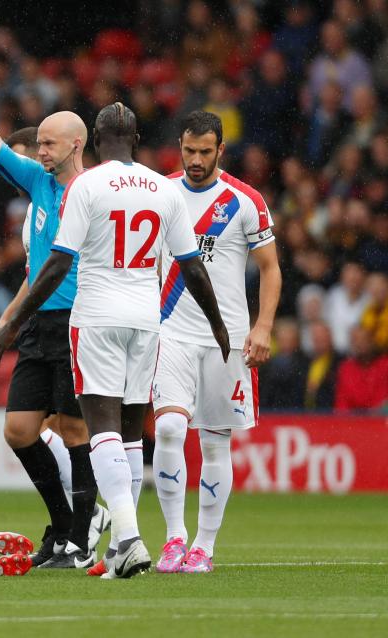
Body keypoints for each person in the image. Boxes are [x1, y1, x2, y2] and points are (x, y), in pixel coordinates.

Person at [0, 102, 230, 579]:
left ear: (95, 140)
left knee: (100, 430)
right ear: (136, 137)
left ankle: (129, 538)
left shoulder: (86, 185)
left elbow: (57, 264)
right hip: (146, 318)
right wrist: (218, 325)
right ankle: (120, 542)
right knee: (134, 434)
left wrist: (14, 321)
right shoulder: (164, 187)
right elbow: (191, 265)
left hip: (96, 316)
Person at [0, 51, 103, 569]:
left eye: (49, 144)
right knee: (19, 429)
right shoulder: (38, 183)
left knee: (76, 431)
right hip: (38, 323)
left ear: (75, 145)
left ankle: (78, 539)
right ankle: (64, 524)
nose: (40, 151)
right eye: (38, 145)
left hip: (80, 324)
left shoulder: (95, 191)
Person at [148, 111, 281, 575]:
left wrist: (262, 327)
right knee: (166, 430)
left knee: (214, 443)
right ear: (179, 146)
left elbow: (270, 268)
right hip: (171, 331)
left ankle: (204, 545)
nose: (196, 160)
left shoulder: (245, 201)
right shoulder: (163, 193)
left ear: (221, 149)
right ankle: (173, 538)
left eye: (206, 151)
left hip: (226, 339)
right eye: (189, 151)